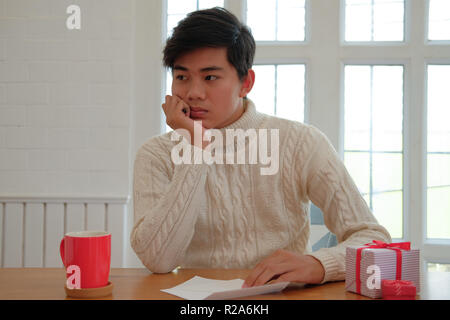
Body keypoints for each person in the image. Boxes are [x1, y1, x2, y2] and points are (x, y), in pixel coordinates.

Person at [130, 7, 391, 287]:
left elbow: (375, 239)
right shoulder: (156, 154)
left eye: (210, 77)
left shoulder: (299, 142)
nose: (193, 93)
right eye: (182, 77)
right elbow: (158, 260)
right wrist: (196, 150)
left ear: (246, 83)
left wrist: (318, 264)